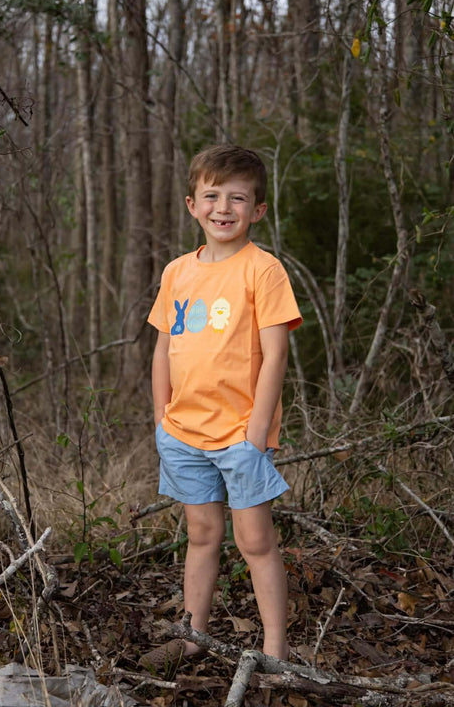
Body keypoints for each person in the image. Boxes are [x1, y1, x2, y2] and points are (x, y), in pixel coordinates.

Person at [141, 144, 302, 670]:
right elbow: (164, 347)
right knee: (202, 534)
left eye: (238, 197)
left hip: (240, 434)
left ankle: (275, 648)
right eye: (212, 196)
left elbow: (276, 353)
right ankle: (192, 637)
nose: (223, 207)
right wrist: (162, 418)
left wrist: (256, 431)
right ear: (192, 204)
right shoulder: (176, 272)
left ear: (256, 210)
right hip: (183, 431)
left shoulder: (263, 270)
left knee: (254, 540)